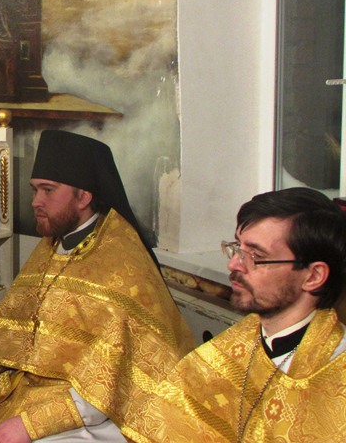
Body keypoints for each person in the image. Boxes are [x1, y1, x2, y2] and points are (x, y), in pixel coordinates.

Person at [0, 130, 195, 442]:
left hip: (93, 412)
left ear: (84, 196)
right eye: (35, 190)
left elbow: (108, 385)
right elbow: (12, 330)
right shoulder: (52, 245)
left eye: (48, 190)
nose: (36, 201)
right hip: (22, 390)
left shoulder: (122, 264)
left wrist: (28, 425)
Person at [132, 188, 346, 443]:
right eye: (237, 248)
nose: (233, 264)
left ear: (313, 276)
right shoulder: (231, 346)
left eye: (256, 256)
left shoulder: (336, 377)